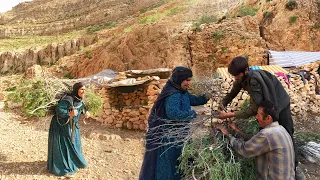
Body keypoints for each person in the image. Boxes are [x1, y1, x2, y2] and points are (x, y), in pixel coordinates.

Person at [139, 66, 209, 180]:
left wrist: (205, 97)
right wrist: (194, 113)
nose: (189, 83)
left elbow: (193, 100)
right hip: (170, 138)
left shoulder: (181, 91)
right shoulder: (173, 95)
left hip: (180, 135)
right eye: (187, 80)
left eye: (190, 80)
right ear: (179, 79)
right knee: (170, 167)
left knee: (180, 164)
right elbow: (173, 114)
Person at [216, 100, 295, 180]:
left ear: (268, 118)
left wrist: (227, 134)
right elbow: (255, 141)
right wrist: (237, 130)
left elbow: (243, 149)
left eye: (258, 114)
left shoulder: (267, 134)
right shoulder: (281, 129)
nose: (256, 117)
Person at [47, 82, 90, 177]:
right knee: (63, 145)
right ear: (76, 90)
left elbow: (82, 107)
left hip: (73, 126)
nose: (84, 91)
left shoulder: (79, 99)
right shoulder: (67, 99)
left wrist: (85, 112)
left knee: (74, 143)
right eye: (82, 89)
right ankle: (62, 168)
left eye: (85, 89)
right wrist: (69, 113)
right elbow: (59, 110)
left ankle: (74, 163)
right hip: (61, 126)